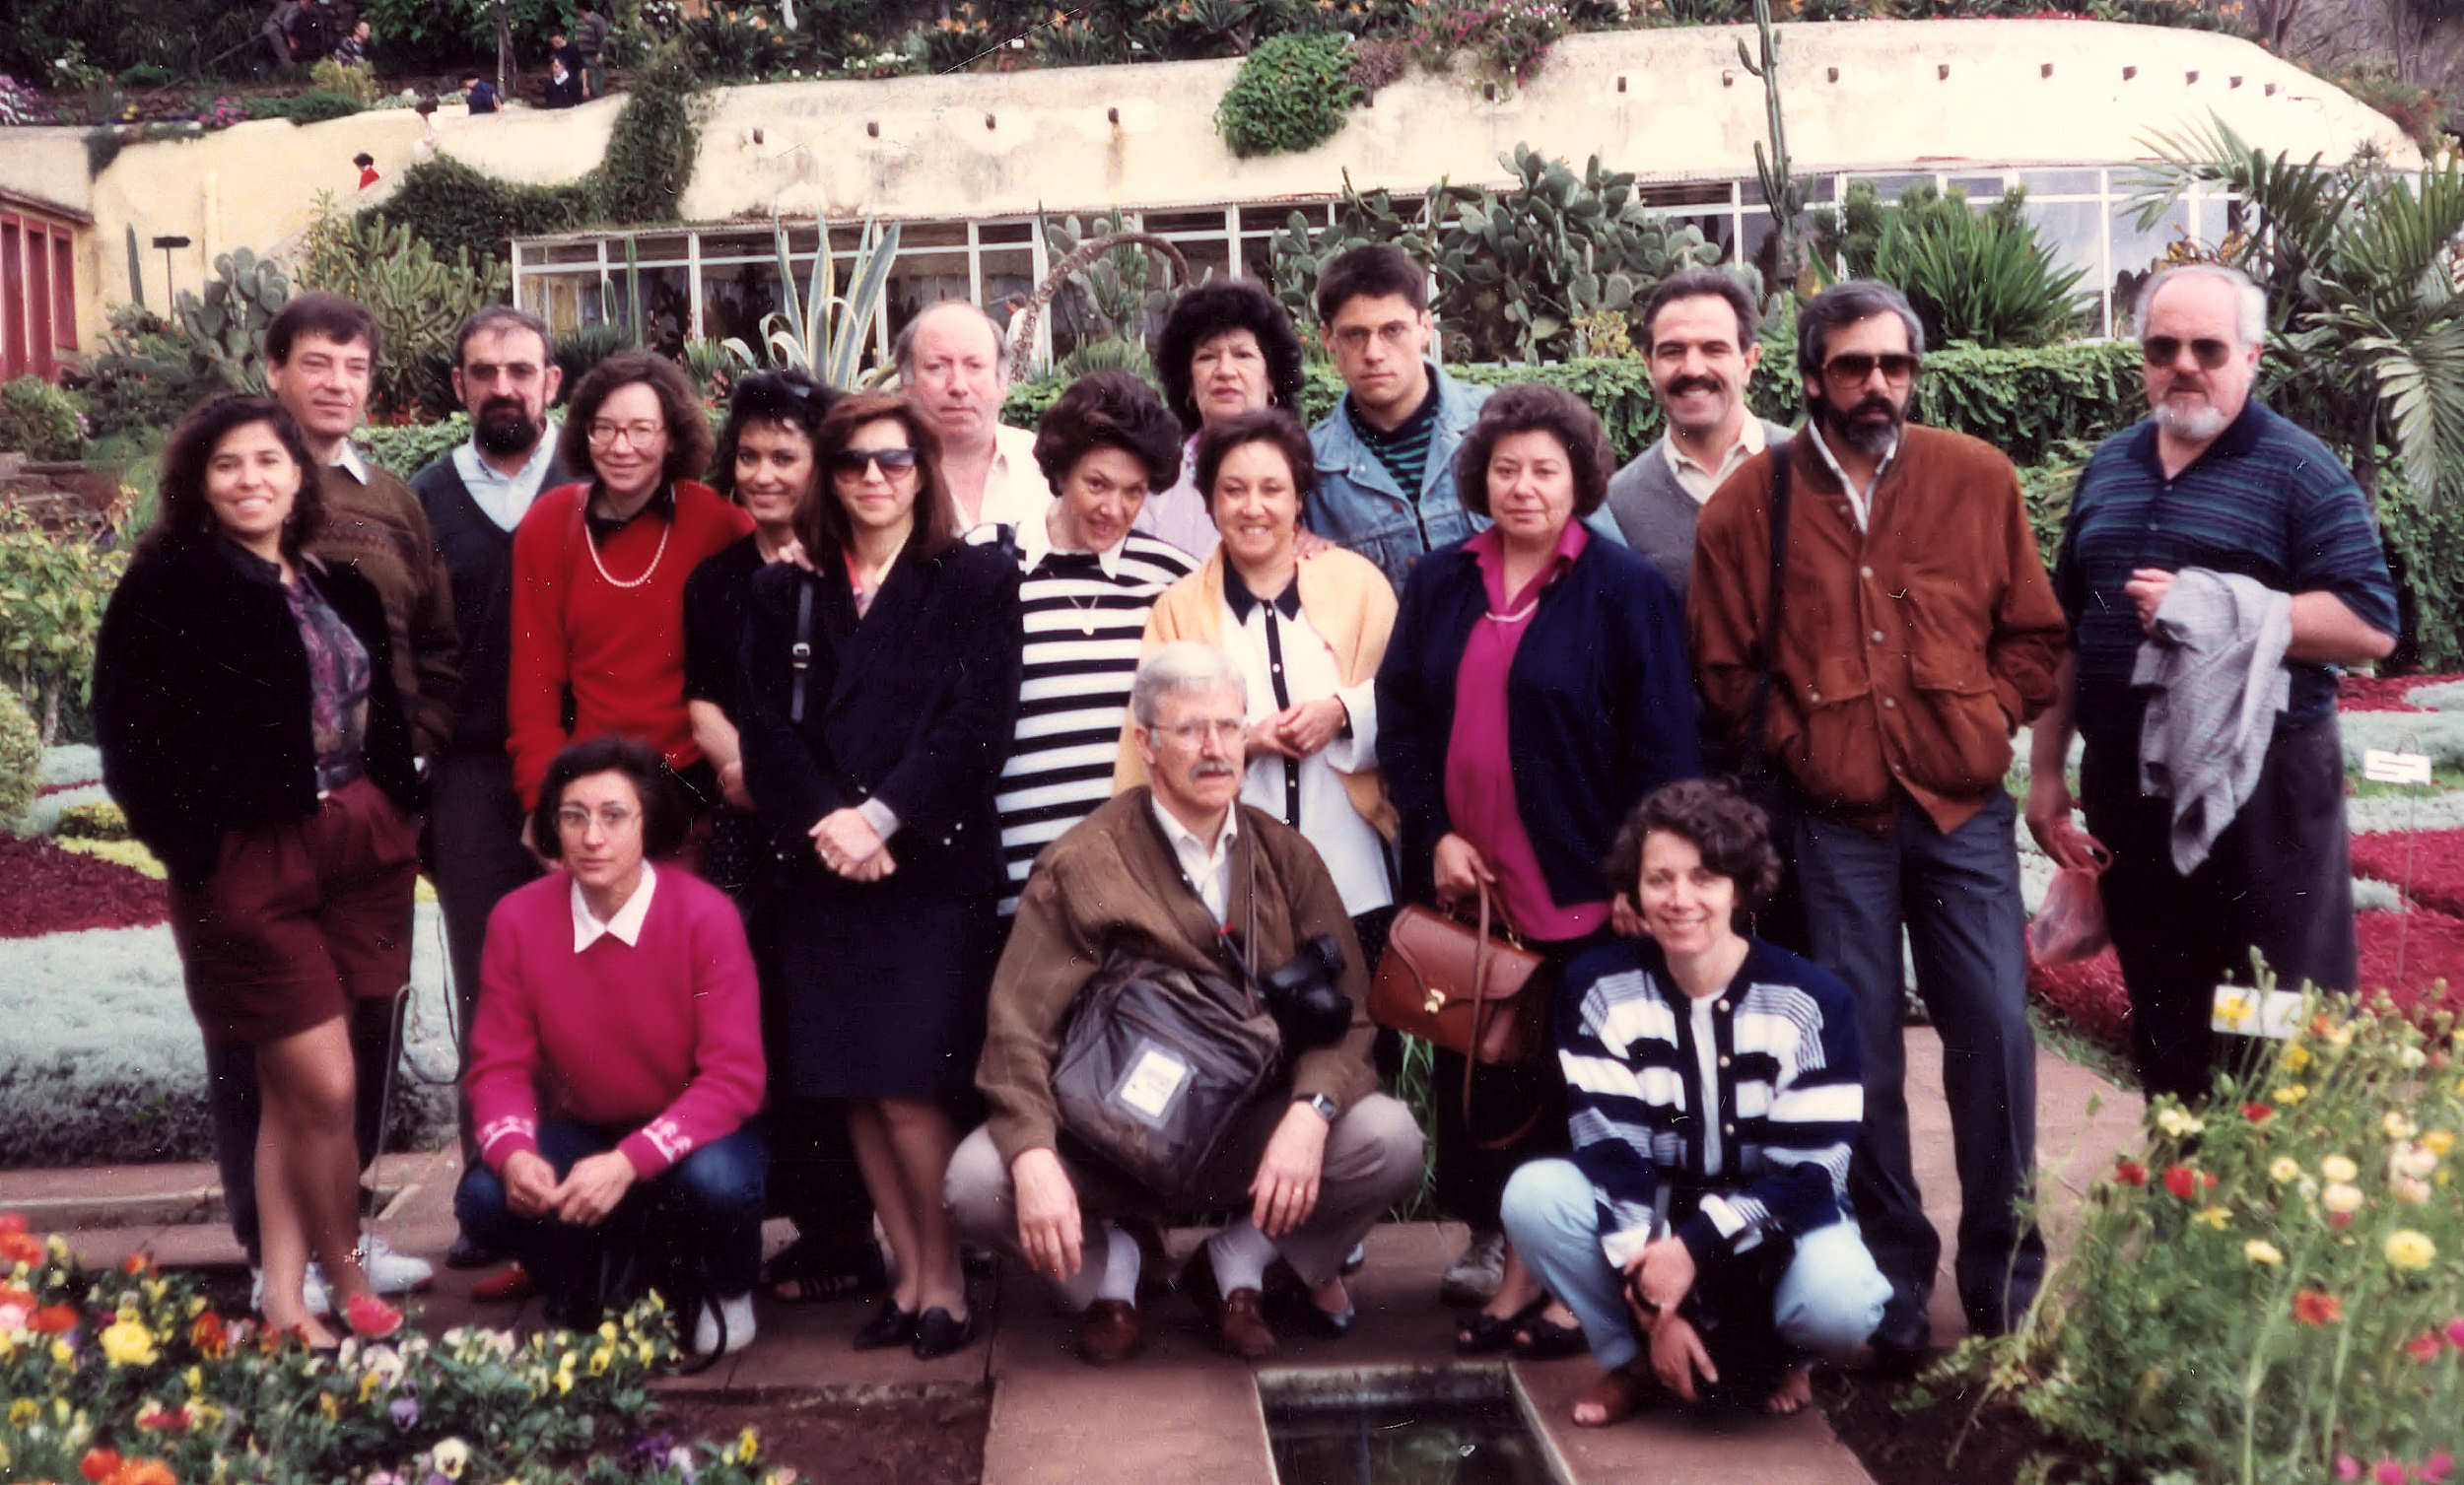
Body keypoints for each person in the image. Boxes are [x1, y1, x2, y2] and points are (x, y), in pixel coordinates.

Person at [1689, 279, 2069, 1361]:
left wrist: (1986, 716)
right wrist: (1809, 746)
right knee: (1856, 1058)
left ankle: (2004, 1282)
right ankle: (1893, 1280)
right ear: (1811, 376)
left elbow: (2033, 635)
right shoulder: (1747, 504)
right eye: (1852, 366)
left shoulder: (1975, 477)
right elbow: (1721, 672)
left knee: (1993, 1032)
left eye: (1894, 365)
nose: (1876, 385)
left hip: (1961, 815)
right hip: (1832, 825)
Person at [948, 643, 1425, 1365]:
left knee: (1388, 1138)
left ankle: (1237, 1264)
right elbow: (1018, 1029)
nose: (1215, 749)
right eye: (1190, 730)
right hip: (1106, 1137)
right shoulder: (1082, 864)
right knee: (979, 1180)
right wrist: (1037, 1156)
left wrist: (1311, 1113)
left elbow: (1351, 1018)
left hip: (1243, 1129)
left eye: (1229, 727)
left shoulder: (1287, 858)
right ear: (1145, 742)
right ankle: (1111, 1273)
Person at [2026, 263, 2398, 1105]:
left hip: (2262, 795)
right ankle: (2184, 1178)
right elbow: (2067, 633)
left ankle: (2265, 1182)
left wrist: (2213, 606)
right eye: (2163, 348)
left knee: (2266, 1013)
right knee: (2166, 1016)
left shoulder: (2299, 471)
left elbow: (2370, 623)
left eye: (2208, 348)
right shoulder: (2112, 468)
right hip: (2130, 793)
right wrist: (2046, 774)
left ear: (2252, 355)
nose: (2184, 365)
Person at [1377, 382, 1700, 1348]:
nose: (1523, 487)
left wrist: (1639, 874)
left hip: (1584, 889)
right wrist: (1434, 831)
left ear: (1579, 481)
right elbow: (1402, 723)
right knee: (1486, 1081)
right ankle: (1507, 1266)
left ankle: (1569, 1284)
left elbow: (1665, 748)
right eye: (1506, 469)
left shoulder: (1624, 589)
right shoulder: (1439, 580)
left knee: (1581, 1091)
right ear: (1481, 478)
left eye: (1544, 470)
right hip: (1468, 891)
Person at [96, 395, 421, 1345]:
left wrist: (393, 803)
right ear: (199, 481)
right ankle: (346, 1273)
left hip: (355, 842)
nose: (251, 480)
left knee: (295, 1092)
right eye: (228, 464)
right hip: (247, 856)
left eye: (269, 461)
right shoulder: (170, 586)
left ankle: (283, 1295)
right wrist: (193, 848)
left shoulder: (335, 582)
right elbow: (128, 736)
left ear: (297, 476)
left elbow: (379, 709)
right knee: (326, 1086)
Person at [734, 390, 1023, 1360]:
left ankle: (945, 1280)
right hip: (824, 865)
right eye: (852, 461)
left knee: (909, 1086)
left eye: (893, 461)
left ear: (922, 472)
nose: (872, 478)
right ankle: (905, 1273)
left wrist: (881, 818)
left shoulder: (975, 578)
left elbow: (976, 727)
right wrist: (834, 824)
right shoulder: (787, 590)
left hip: (925, 866)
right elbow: (766, 732)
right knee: (855, 1083)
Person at [211, 292, 457, 1310]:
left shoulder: (394, 499)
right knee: (263, 1036)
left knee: (362, 1030)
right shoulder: (231, 485)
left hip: (369, 812)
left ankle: (344, 1231)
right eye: (316, 362)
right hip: (260, 822)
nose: (336, 383)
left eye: (354, 367)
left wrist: (413, 765)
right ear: (273, 369)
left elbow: (435, 642)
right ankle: (274, 1252)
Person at [1501, 778, 1887, 1424]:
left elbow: (1810, 1173)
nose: (1680, 899)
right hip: (1657, 1208)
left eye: (1704, 877)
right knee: (1535, 1196)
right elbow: (1614, 1152)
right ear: (1634, 889)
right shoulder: (1600, 990)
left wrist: (1692, 1248)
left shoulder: (1811, 1001)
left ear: (1740, 887)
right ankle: (1633, 1361)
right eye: (1660, 879)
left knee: (1841, 1302)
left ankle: (1787, 1356)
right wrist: (1658, 1310)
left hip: (1777, 1211)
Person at [456, 737, 767, 1356]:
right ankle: (582, 1283)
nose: (591, 837)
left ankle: (725, 1284)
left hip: (695, 1133)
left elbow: (734, 1077)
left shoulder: (705, 915)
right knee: (485, 1197)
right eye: (574, 816)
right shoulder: (517, 920)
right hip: (585, 1128)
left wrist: (629, 1162)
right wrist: (515, 1155)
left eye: (613, 815)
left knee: (721, 1183)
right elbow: (499, 1067)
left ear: (648, 822)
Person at [679, 371, 883, 1306]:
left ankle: (855, 1229)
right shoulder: (718, 578)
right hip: (748, 829)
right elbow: (703, 699)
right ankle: (811, 1225)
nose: (763, 475)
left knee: (838, 1018)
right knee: (765, 1020)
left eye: (785, 457)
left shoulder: (853, 568)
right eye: (750, 456)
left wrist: (788, 783)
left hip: (839, 825)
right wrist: (747, 769)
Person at [1124, 407, 1400, 967]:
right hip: (1232, 890)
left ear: (1299, 500)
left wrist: (1341, 713)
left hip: (1355, 880)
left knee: (1363, 1019)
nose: (1253, 507)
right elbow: (1149, 741)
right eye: (1234, 490)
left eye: (1272, 489)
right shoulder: (1177, 610)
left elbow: (1407, 701)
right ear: (1210, 503)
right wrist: (1243, 742)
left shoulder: (1359, 586)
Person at [410, 305, 569, 1273]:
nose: (503, 386)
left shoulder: (593, 478)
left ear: (551, 381)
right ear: (459, 386)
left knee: (597, 982)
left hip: (586, 771)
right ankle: (495, 1202)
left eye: (520, 369)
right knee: (491, 992)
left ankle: (596, 1195)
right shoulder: (424, 499)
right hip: (472, 776)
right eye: (484, 372)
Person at [507, 349, 748, 823]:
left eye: (641, 430)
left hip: (695, 782)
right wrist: (541, 802)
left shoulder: (718, 521)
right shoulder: (548, 523)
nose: (621, 447)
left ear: (672, 437)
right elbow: (534, 684)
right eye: (605, 428)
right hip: (592, 781)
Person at [984, 371, 1193, 916]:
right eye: (1097, 484)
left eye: (1134, 491)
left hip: (1140, 892)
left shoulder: (1172, 578)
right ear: (1060, 471)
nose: (1114, 509)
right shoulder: (983, 563)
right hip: (1019, 891)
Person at [1604, 269, 1791, 606]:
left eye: (1713, 349)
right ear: (1649, 365)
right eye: (1673, 351)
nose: (1693, 369)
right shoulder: (1620, 506)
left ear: (1748, 362)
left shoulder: (1814, 470)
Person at [1143, 278, 1310, 557]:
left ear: (1271, 379)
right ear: (1188, 384)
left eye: (1243, 355)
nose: (1225, 371)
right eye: (1207, 357)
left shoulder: (1309, 471)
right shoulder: (1158, 486)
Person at [897, 301, 1047, 535]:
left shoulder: (1043, 465)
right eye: (937, 367)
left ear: (1002, 381)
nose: (958, 386)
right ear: (907, 382)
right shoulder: (881, 477)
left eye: (974, 366)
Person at [574, 0, 610, 100]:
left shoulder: (598, 20)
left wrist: (601, 53)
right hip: (582, 56)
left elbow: (604, 38)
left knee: (595, 85)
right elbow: (578, 38)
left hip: (594, 56)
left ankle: (599, 102)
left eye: (577, 8)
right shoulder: (580, 21)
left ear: (581, 9)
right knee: (583, 83)